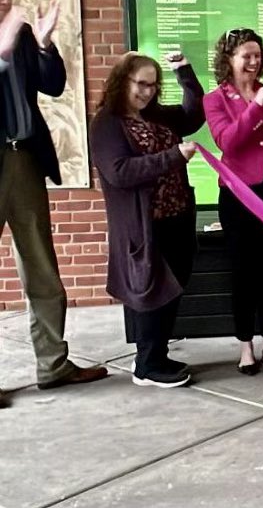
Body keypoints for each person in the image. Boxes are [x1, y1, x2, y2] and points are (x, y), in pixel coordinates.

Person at [0, 0, 106, 407]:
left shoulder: (19, 32)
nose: (5, 1)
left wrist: (42, 44)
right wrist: (3, 53)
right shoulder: (8, 37)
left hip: (23, 157)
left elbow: (54, 83)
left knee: (41, 267)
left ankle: (52, 364)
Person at [90, 51, 204, 388]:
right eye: (140, 84)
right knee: (149, 292)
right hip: (143, 226)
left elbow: (194, 114)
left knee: (171, 291)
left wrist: (183, 71)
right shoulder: (106, 123)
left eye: (153, 86)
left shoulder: (158, 117)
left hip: (177, 218)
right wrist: (172, 156)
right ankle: (146, 366)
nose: (147, 92)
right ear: (122, 81)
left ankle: (159, 355)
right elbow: (119, 172)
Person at [203, 28, 263, 375]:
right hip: (238, 195)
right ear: (229, 60)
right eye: (246, 55)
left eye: (258, 55)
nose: (254, 61)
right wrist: (256, 107)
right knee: (243, 271)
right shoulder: (215, 99)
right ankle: (246, 347)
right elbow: (229, 142)